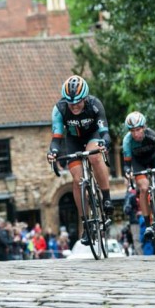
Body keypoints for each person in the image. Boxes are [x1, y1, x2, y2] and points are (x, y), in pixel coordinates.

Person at [46, 75, 113, 245]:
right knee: (77, 180)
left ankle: (106, 197)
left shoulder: (95, 104)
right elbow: (56, 138)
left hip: (93, 135)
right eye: (71, 103)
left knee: (94, 156)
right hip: (73, 140)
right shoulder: (59, 109)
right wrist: (53, 152)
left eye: (78, 103)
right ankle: (86, 224)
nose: (74, 107)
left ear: (85, 98)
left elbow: (104, 131)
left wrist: (105, 142)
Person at [121, 111, 155, 241]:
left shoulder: (152, 135)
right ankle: (148, 225)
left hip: (154, 158)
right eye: (132, 131)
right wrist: (127, 171)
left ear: (144, 128)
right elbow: (126, 164)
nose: (136, 133)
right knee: (143, 188)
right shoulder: (127, 141)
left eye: (138, 129)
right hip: (139, 163)